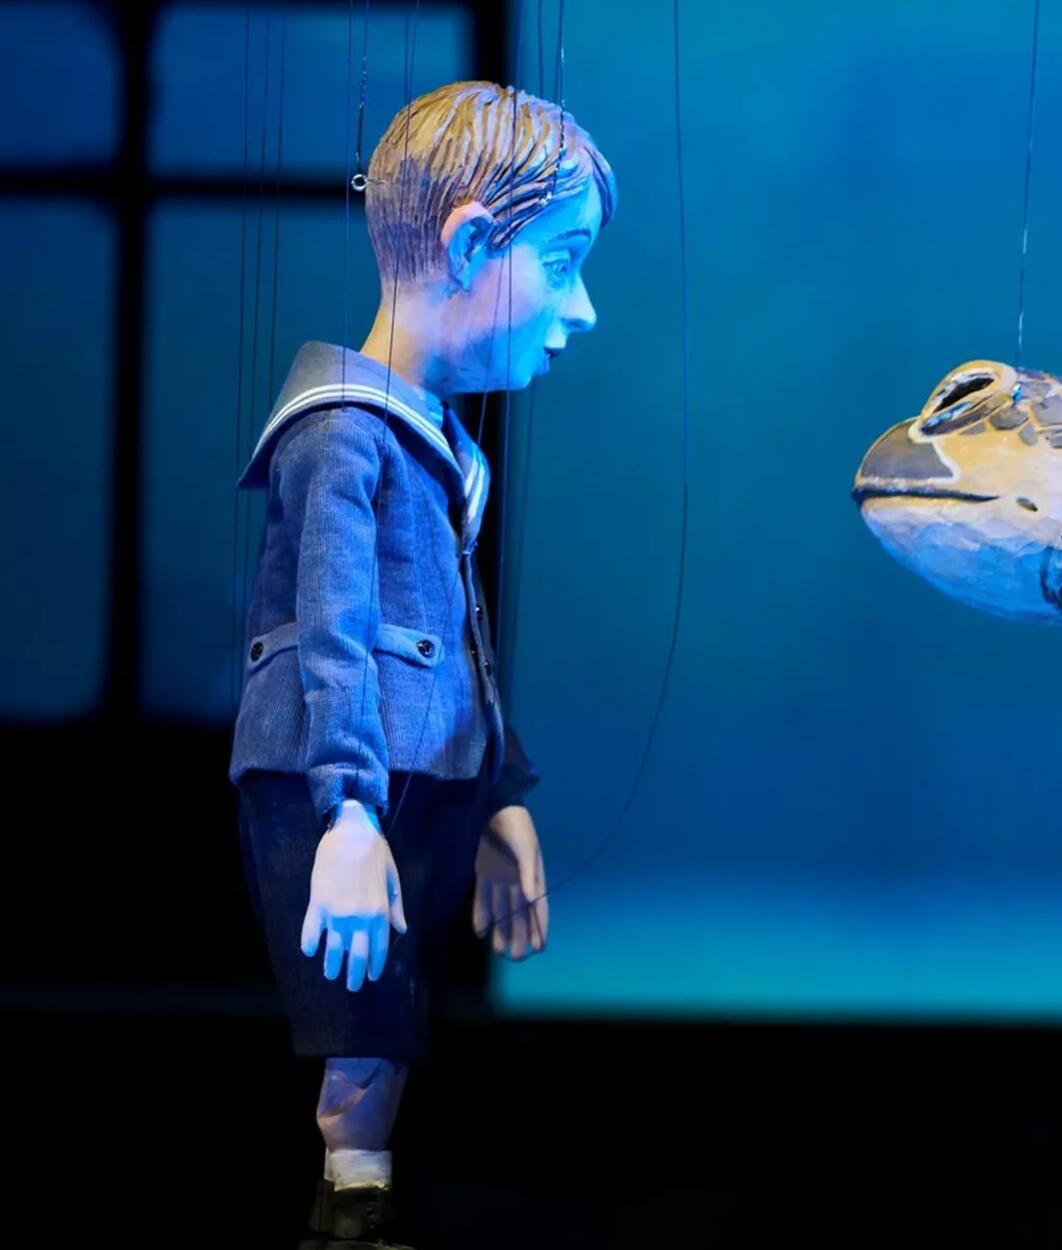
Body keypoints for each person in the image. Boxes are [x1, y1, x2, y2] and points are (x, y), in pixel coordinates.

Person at [229, 80, 613, 1250]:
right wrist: (347, 814)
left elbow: (463, 633)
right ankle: (352, 1202)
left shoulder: (433, 442)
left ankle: (361, 1194)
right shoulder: (341, 431)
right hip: (350, 771)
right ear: (470, 243)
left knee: (392, 1012)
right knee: (361, 1010)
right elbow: (331, 627)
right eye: (563, 260)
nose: (582, 308)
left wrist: (498, 792)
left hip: (426, 769)